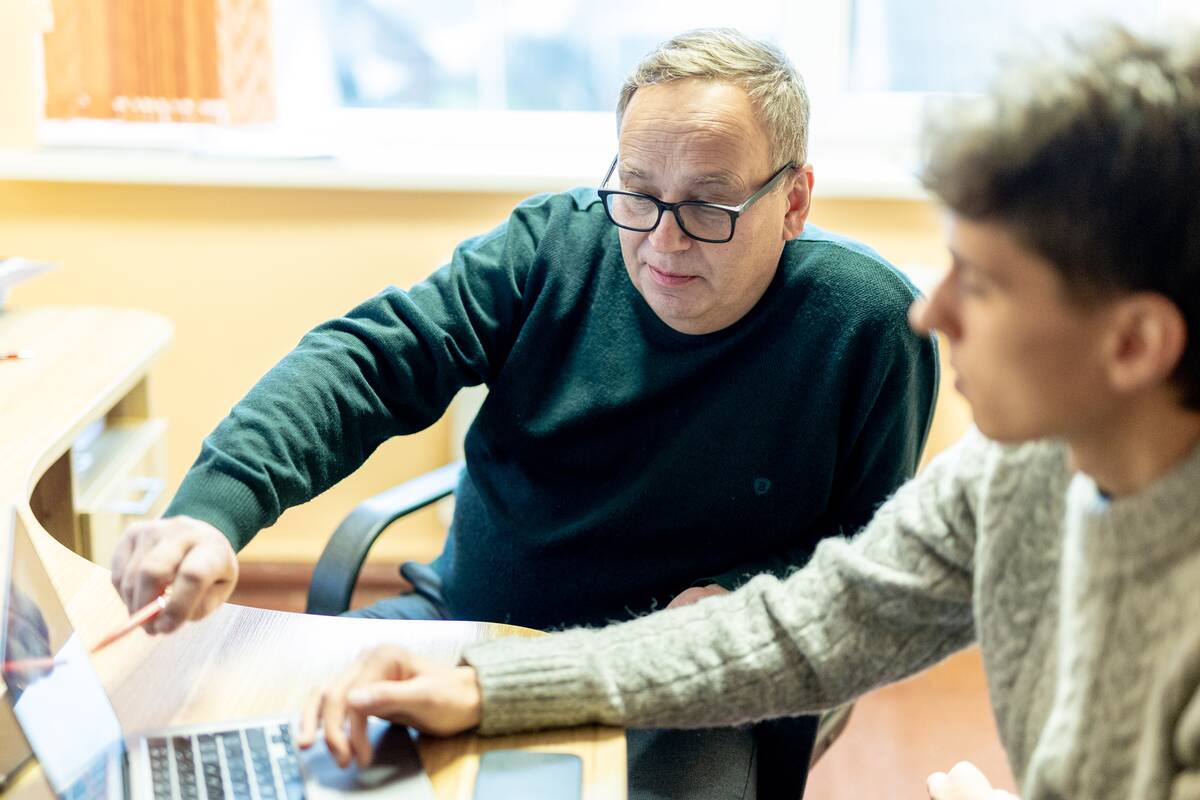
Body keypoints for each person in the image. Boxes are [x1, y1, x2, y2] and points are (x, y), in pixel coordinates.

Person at [297, 25, 1200, 800]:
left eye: (986, 283)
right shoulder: (1016, 470)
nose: (932, 312)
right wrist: (492, 687)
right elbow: (813, 622)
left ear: (1133, 344)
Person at [110, 29, 938, 799]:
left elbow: (867, 553)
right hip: (468, 626)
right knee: (259, 745)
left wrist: (743, 593)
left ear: (793, 202)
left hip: (674, 680)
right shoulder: (552, 246)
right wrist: (213, 513)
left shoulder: (867, 324)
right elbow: (366, 362)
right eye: (638, 192)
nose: (663, 241)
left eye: (708, 206)